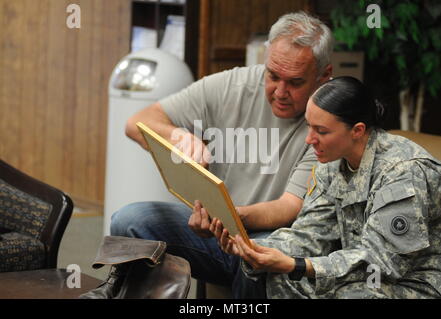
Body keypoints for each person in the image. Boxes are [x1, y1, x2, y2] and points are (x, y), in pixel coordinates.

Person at [99, 11, 334, 297]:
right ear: (265, 60)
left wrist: (227, 219)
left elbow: (288, 207)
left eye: (295, 82)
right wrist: (178, 136)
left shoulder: (329, 121)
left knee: (261, 252)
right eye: (272, 76)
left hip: (270, 239)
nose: (280, 91)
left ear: (324, 76)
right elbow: (136, 123)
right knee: (129, 219)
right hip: (215, 230)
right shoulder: (231, 86)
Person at [210, 76, 441, 298]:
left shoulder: (404, 172)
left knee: (352, 294)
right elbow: (311, 234)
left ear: (357, 130)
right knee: (278, 277)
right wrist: (254, 249)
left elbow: (382, 263)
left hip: (422, 281)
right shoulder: (330, 163)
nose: (309, 139)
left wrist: (299, 265)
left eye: (321, 131)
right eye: (309, 126)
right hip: (365, 274)